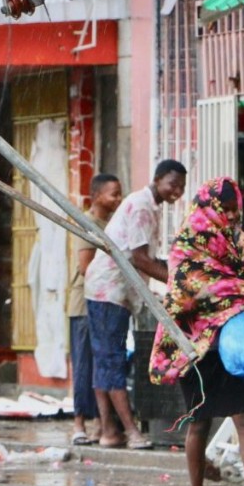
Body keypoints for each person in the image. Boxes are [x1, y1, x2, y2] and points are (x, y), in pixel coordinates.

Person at [149, 177, 244, 486]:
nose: (228, 216)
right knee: (199, 423)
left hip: (235, 344)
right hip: (196, 348)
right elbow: (183, 291)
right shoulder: (187, 241)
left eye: (232, 210)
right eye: (222, 210)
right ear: (207, 208)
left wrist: (234, 296)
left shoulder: (238, 240)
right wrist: (228, 293)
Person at [85, 158, 187, 449]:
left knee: (105, 361)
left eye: (180, 187)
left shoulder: (147, 205)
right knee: (112, 361)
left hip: (113, 291)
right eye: (172, 184)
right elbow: (141, 258)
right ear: (157, 180)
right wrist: (177, 283)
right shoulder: (142, 205)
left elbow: (146, 259)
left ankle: (106, 430)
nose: (176, 192)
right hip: (110, 291)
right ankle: (130, 432)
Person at [67, 173, 123, 446]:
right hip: (84, 303)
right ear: (97, 196)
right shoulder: (88, 224)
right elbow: (85, 266)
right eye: (114, 194)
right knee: (83, 364)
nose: (118, 199)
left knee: (102, 364)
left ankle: (102, 424)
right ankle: (79, 422)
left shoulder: (111, 223)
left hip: (104, 300)